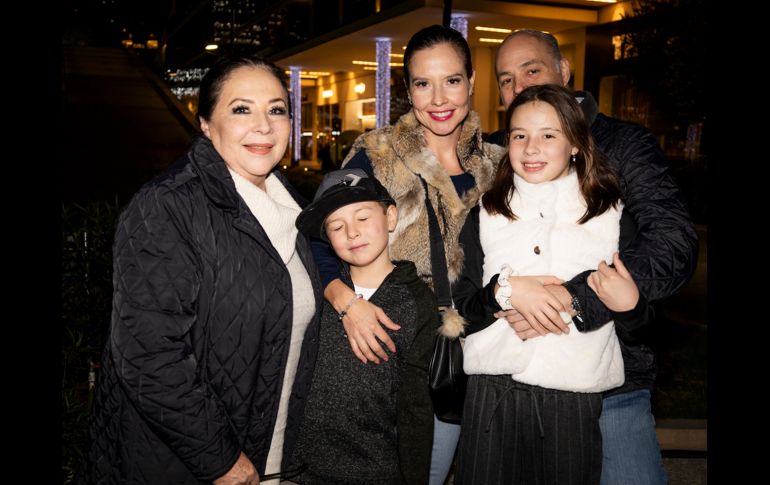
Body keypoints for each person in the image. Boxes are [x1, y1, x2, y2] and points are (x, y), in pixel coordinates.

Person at [77, 56, 322, 485]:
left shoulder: (291, 209)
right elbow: (148, 356)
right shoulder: (167, 207)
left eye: (277, 109)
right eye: (241, 109)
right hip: (189, 465)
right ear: (206, 124)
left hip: (273, 453)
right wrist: (223, 461)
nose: (263, 125)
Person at [487, 29, 699, 485]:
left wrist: (575, 297)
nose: (520, 87)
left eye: (532, 70)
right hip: (512, 384)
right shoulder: (499, 152)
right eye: (506, 79)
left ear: (564, 72)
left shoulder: (622, 145)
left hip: (613, 379)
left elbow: (673, 242)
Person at [310, 24, 506, 485]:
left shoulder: (499, 164)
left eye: (452, 80)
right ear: (408, 89)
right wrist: (346, 303)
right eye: (423, 83)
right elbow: (322, 235)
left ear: (472, 80)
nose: (439, 98)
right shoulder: (376, 154)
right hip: (388, 353)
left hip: (476, 358)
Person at [453, 83, 650, 484]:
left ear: (575, 143)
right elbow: (460, 312)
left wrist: (631, 306)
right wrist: (503, 292)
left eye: (548, 135)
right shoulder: (485, 212)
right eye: (519, 136)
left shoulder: (609, 215)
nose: (531, 148)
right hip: (493, 392)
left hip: (572, 399)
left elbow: (638, 329)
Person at [290, 168, 440, 484]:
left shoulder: (418, 304)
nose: (352, 233)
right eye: (337, 226)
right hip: (299, 469)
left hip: (375, 470)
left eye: (362, 218)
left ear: (390, 217)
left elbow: (415, 408)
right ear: (326, 238)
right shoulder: (314, 292)